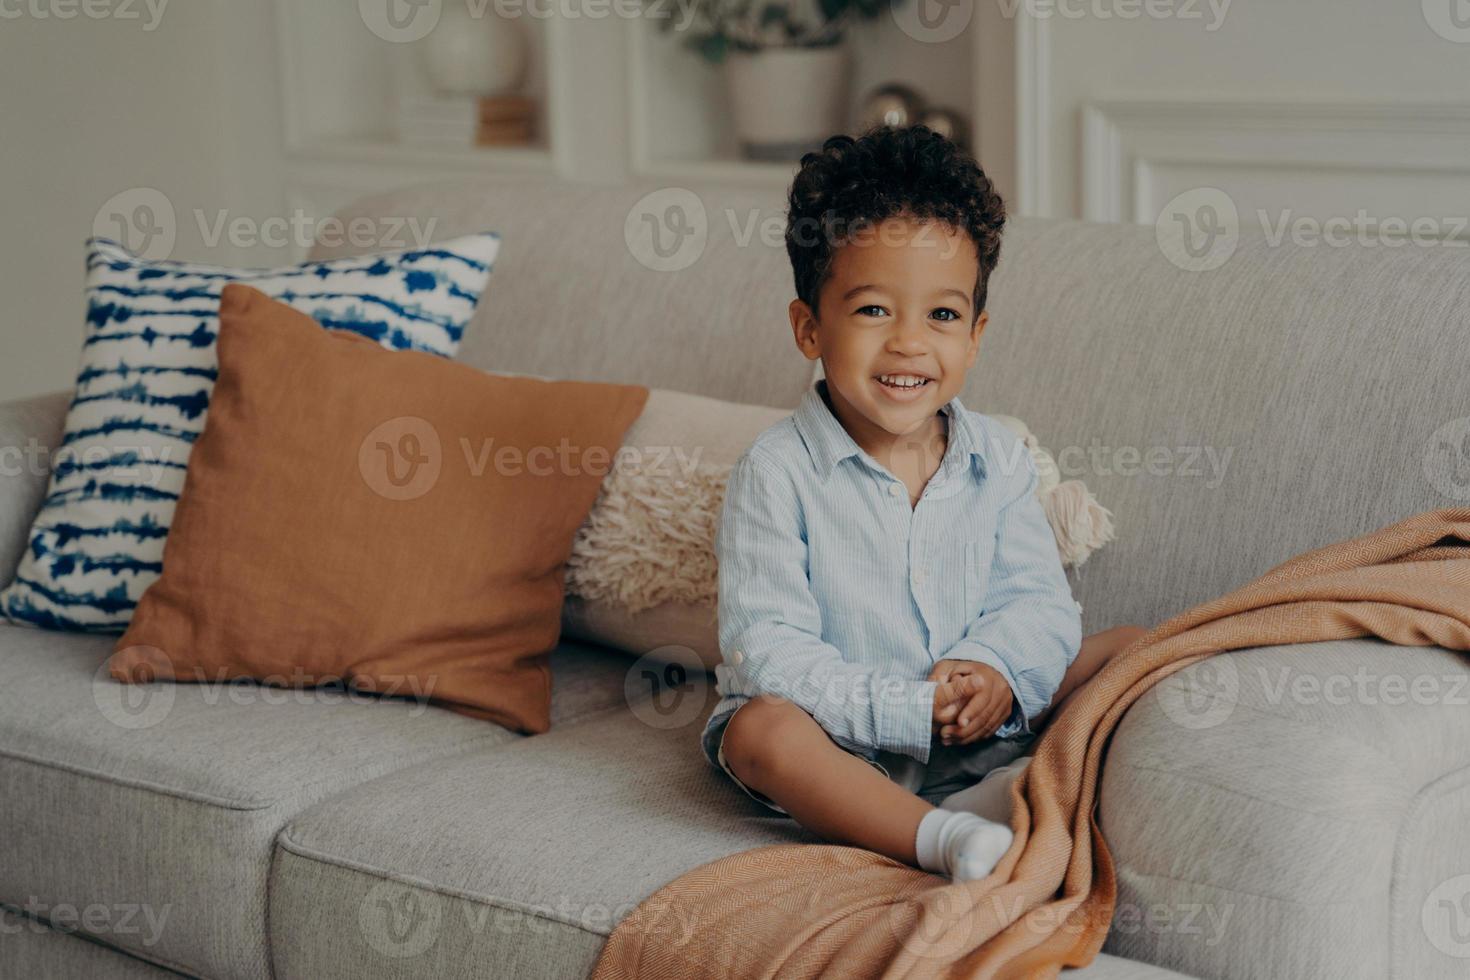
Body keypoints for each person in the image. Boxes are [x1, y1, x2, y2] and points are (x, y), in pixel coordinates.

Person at [701, 123, 1147, 882]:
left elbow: (1038, 603)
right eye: (874, 310)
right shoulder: (776, 472)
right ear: (810, 327)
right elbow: (766, 648)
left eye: (941, 316)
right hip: (845, 745)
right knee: (759, 729)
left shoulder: (997, 459)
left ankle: (1014, 788)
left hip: (984, 721)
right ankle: (940, 838)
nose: (910, 344)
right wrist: (905, 709)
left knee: (1132, 647)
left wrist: (995, 670)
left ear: (975, 336)